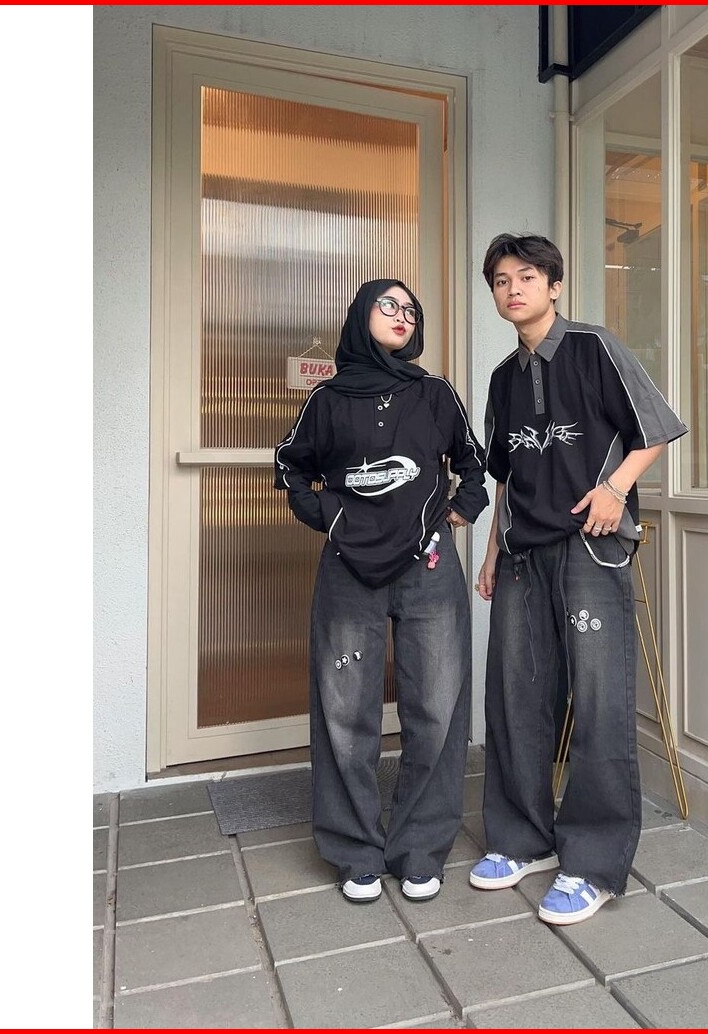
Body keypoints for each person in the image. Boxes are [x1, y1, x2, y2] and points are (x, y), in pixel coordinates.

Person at [468, 234, 687, 925]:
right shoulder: (502, 379)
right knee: (515, 697)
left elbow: (654, 429)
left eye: (527, 276)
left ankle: (592, 864)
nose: (513, 289)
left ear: (554, 285)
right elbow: (506, 477)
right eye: (501, 280)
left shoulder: (594, 348)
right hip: (522, 555)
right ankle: (522, 839)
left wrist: (615, 489)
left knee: (597, 703)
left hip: (591, 548)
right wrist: (492, 552)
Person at [275, 279, 488, 904]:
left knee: (437, 708)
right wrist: (329, 517)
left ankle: (420, 849)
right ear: (360, 316)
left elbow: (473, 464)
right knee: (345, 711)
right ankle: (356, 850)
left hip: (428, 568)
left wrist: (462, 508)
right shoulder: (328, 400)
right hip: (349, 570)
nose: (403, 315)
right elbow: (291, 465)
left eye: (411, 309)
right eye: (388, 305)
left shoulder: (434, 394)